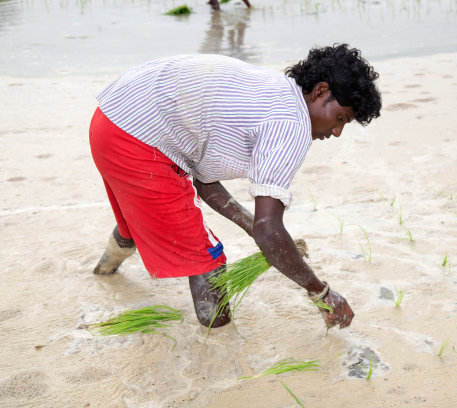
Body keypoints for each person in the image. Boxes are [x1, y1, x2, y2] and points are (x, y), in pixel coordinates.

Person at [89, 43, 381, 330]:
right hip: (139, 142)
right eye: (339, 117)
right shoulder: (290, 123)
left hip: (110, 120)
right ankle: (218, 342)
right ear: (320, 91)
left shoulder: (275, 89)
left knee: (139, 219)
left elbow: (204, 182)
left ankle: (103, 273)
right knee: (209, 259)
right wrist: (321, 293)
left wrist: (249, 223)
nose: (337, 132)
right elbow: (270, 231)